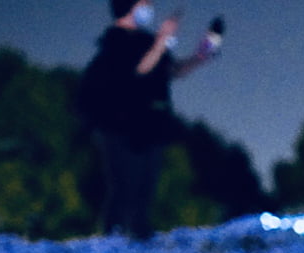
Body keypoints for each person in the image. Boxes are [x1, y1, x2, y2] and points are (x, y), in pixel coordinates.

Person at [79, 1, 222, 239]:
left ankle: (139, 241)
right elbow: (138, 70)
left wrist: (201, 56)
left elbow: (170, 70)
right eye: (143, 4)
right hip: (119, 126)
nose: (149, 8)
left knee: (145, 191)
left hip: (150, 126)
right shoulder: (115, 40)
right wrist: (161, 40)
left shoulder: (146, 40)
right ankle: (111, 242)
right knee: (124, 189)